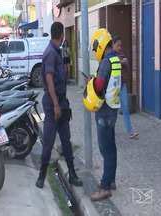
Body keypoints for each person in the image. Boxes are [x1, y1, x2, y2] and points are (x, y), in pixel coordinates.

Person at [35, 22, 82, 189]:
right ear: (61, 35)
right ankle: (41, 176)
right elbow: (49, 79)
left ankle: (72, 174)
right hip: (53, 105)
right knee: (48, 142)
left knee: (66, 141)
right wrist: (55, 105)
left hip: (62, 104)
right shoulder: (50, 53)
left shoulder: (57, 51)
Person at [87, 29, 121, 201]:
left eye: (95, 48)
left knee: (105, 149)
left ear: (100, 45)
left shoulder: (105, 62)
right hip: (113, 108)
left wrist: (90, 82)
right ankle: (112, 179)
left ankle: (105, 186)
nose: (95, 52)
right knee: (111, 147)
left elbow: (99, 86)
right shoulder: (116, 59)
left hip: (104, 111)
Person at [112, 36, 139, 139]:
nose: (119, 47)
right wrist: (120, 62)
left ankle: (130, 132)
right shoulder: (110, 55)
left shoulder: (121, 54)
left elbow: (126, 66)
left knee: (126, 108)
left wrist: (124, 62)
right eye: (117, 45)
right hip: (113, 87)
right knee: (113, 110)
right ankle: (111, 132)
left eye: (120, 45)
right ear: (113, 44)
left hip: (122, 85)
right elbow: (111, 64)